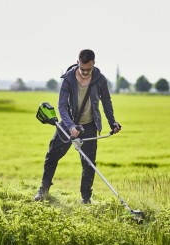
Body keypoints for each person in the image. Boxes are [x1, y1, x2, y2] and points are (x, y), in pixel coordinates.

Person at [34, 49, 121, 203]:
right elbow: (62, 106)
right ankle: (43, 190)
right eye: (82, 69)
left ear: (94, 63)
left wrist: (112, 121)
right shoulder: (68, 79)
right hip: (68, 123)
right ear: (77, 63)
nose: (85, 72)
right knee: (52, 155)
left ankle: (86, 198)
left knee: (89, 162)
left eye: (88, 69)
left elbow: (106, 101)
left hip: (89, 125)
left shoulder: (100, 79)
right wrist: (71, 126)